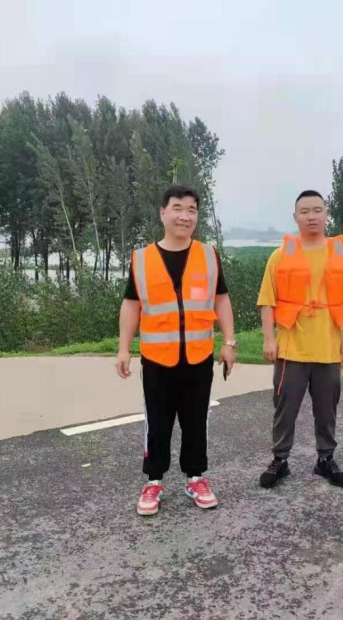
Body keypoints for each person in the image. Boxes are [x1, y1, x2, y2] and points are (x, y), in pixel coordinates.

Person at [116, 185, 237, 516]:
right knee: (157, 423)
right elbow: (131, 305)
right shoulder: (142, 259)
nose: (185, 216)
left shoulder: (208, 256)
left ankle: (195, 477)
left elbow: (221, 300)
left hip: (198, 357)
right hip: (157, 360)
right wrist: (123, 348)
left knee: (196, 421)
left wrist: (229, 342)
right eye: (178, 208)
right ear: (163, 213)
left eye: (192, 210)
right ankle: (153, 481)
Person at [256, 190, 343, 489]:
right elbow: (267, 301)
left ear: (327, 214)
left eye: (317, 210)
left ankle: (325, 459)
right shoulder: (280, 256)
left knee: (327, 409)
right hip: (291, 348)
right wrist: (269, 339)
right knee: (285, 407)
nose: (311, 216)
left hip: (329, 347)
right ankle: (280, 459)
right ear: (295, 217)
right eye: (304, 211)